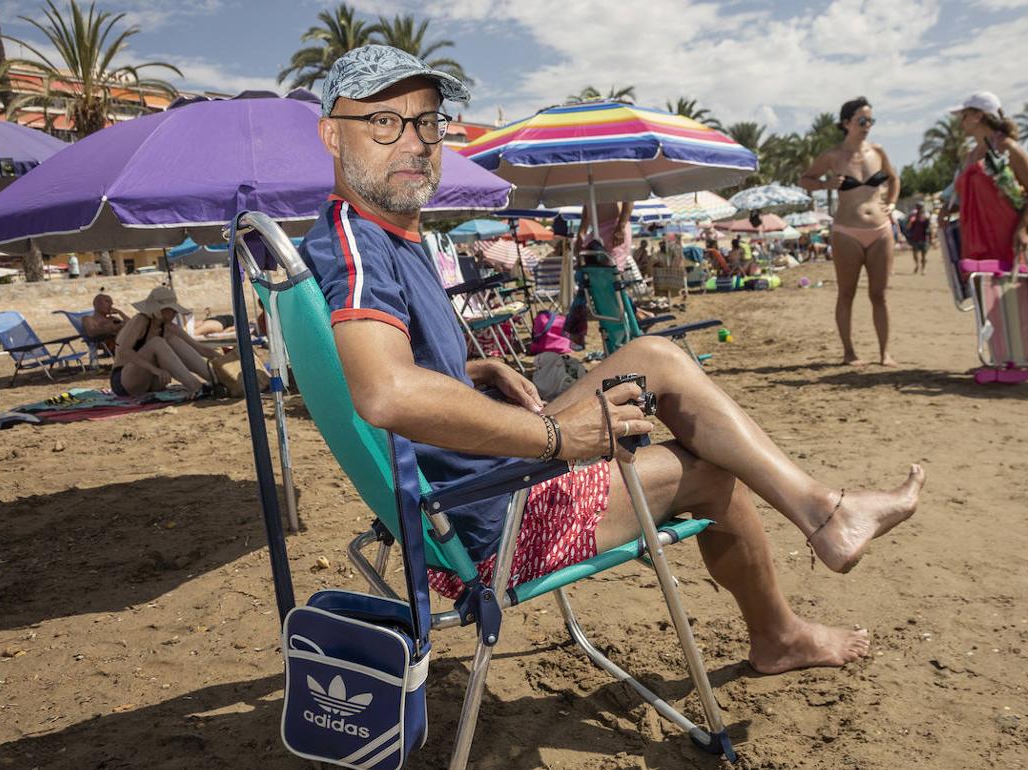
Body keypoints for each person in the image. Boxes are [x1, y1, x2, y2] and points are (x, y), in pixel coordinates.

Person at [303, 46, 924, 673]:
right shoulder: (357, 241)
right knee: (713, 474)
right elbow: (385, 392)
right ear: (332, 134)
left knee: (654, 354)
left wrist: (474, 370)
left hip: (469, 481)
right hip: (488, 517)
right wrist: (558, 437)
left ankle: (823, 512)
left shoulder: (383, 232)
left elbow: (374, 368)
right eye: (383, 121)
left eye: (427, 121)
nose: (414, 142)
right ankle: (783, 628)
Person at [800, 96, 901, 366]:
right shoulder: (833, 155)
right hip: (846, 231)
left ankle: (884, 353)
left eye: (870, 120)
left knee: (879, 295)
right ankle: (849, 352)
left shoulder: (877, 151)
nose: (868, 125)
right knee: (847, 294)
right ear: (846, 123)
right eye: (862, 120)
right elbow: (805, 179)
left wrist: (892, 203)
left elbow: (894, 179)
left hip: (880, 229)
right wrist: (826, 185)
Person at [948, 92, 1028, 274]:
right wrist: (947, 209)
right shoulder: (971, 155)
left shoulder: (1007, 147)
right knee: (979, 287)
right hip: (974, 237)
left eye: (965, 116)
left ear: (978, 116)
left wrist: (1022, 228)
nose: (961, 122)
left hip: (1004, 235)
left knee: (1006, 287)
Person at [111, 286, 220, 398]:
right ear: (158, 310)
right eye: (171, 309)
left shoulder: (169, 327)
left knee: (174, 341)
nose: (174, 313)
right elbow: (125, 351)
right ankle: (195, 386)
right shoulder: (141, 321)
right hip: (125, 381)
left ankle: (217, 379)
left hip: (153, 381)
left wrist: (224, 359)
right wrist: (154, 369)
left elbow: (199, 348)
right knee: (157, 342)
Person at [904, 204, 932, 274]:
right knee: (915, 255)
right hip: (915, 239)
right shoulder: (913, 216)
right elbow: (907, 227)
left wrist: (931, 238)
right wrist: (911, 221)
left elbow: (930, 228)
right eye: (918, 207)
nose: (919, 208)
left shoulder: (926, 216)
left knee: (924, 256)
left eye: (920, 207)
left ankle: (923, 269)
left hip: (924, 239)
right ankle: (917, 265)